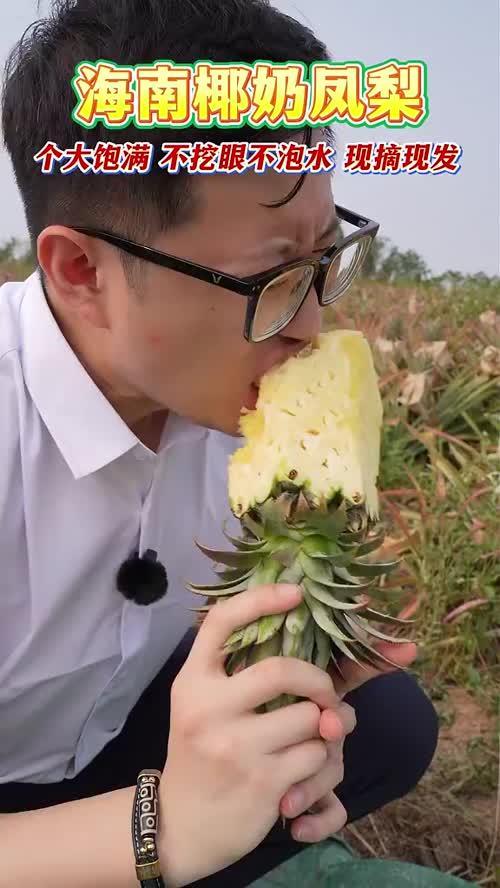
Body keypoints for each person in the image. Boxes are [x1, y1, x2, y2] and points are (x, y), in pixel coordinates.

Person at [0, 1, 439, 885]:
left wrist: (289, 696)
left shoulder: (238, 407)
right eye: (270, 279)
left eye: (324, 259)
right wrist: (161, 829)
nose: (311, 327)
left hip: (109, 733)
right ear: (82, 271)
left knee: (387, 727)